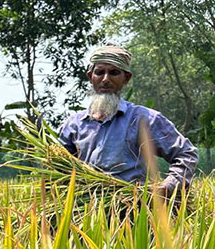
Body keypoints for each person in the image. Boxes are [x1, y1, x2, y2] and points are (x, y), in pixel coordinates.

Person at [57, 45, 198, 196]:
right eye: (99, 73)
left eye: (114, 73)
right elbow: (57, 166)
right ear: (91, 77)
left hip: (133, 208)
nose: (105, 79)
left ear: (126, 78)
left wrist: (168, 186)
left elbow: (186, 154)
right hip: (85, 210)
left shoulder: (144, 119)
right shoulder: (74, 125)